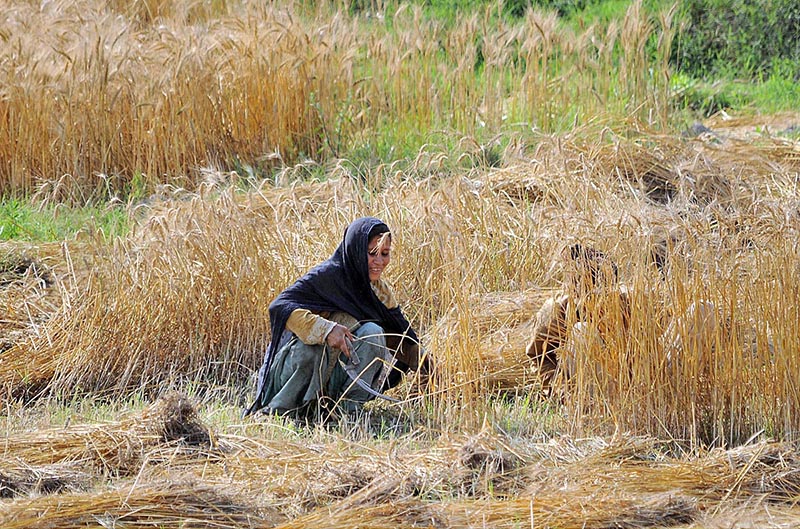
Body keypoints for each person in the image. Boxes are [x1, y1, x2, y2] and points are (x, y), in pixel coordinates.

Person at [243, 216, 424, 420]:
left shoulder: (378, 291)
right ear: (355, 250)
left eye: (385, 254)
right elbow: (279, 307)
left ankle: (344, 412)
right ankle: (281, 413)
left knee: (373, 333)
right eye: (372, 253)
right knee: (311, 349)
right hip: (294, 373)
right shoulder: (327, 277)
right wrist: (326, 330)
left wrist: (425, 363)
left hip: (332, 376)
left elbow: (399, 336)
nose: (379, 262)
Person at [525, 244, 631, 384]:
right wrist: (562, 390)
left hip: (623, 386)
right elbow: (539, 356)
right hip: (579, 388)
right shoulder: (560, 306)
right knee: (582, 330)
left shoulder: (624, 304)